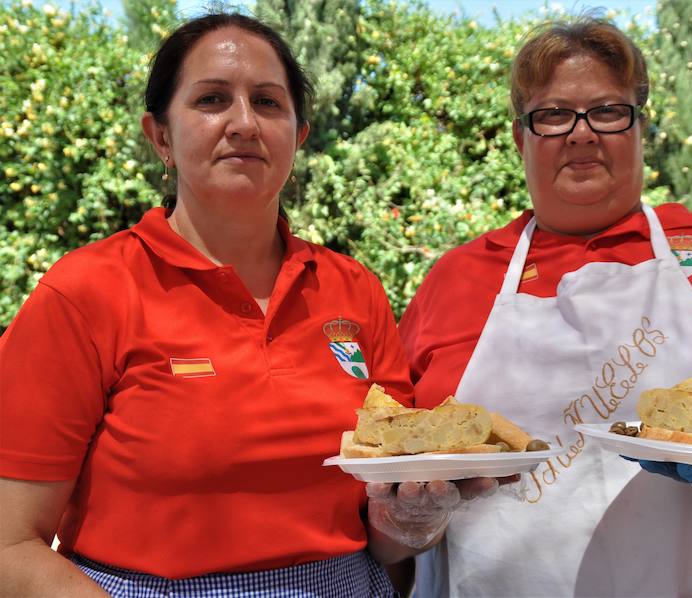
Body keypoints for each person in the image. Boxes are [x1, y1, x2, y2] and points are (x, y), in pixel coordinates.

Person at [382, 15, 692, 597]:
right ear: (519, 138)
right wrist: (408, 519)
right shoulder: (454, 280)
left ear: (641, 128)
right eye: (553, 114)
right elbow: (394, 477)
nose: (581, 134)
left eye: (607, 111)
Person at [0, 13, 414, 597]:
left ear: (297, 137)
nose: (244, 123)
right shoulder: (85, 292)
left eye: (268, 103)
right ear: (160, 136)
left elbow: (388, 523)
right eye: (212, 99)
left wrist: (413, 519)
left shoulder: (355, 291)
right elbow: (9, 545)